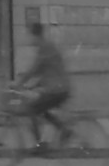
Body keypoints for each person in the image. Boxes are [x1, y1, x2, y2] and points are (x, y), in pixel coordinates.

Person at [14, 20, 72, 151]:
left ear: (34, 35)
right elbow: (45, 71)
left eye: (29, 35)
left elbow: (35, 69)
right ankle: (63, 130)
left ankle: (40, 145)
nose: (28, 39)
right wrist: (31, 86)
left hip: (57, 89)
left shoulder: (45, 47)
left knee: (32, 109)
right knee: (42, 109)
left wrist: (19, 83)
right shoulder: (46, 46)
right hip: (60, 88)